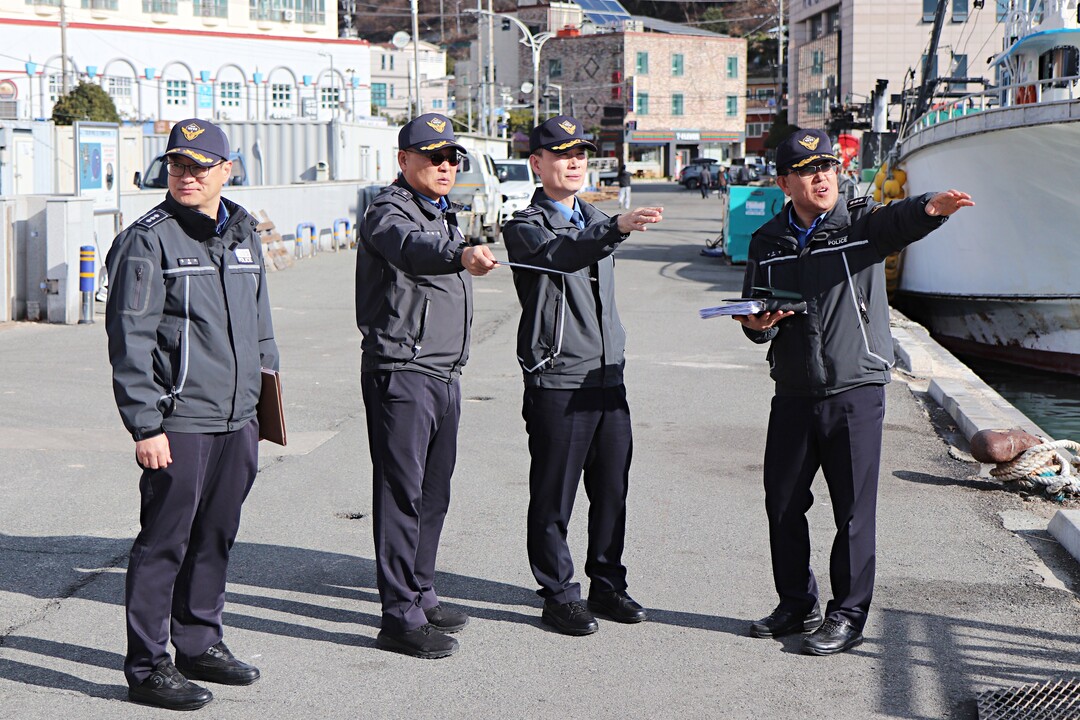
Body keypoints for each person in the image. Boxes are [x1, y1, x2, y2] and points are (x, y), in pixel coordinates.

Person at [734, 128, 973, 656]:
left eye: (827, 167)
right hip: (794, 389)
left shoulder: (860, 224)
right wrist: (757, 325)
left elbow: (897, 224)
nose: (821, 176)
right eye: (807, 169)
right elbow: (757, 313)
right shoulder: (768, 239)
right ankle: (796, 603)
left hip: (855, 388)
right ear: (784, 182)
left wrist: (929, 208)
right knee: (783, 503)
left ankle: (848, 614)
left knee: (852, 510)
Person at [105, 118, 277, 710]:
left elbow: (261, 329)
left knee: (215, 537)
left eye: (200, 166)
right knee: (164, 543)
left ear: (226, 171)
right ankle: (148, 666)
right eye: (177, 165)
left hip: (237, 420)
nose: (186, 176)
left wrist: (263, 404)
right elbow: (130, 341)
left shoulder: (244, 232)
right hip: (179, 421)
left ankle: (200, 643)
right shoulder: (147, 240)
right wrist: (145, 424)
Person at [501, 115, 663, 636]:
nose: (573, 162)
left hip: (606, 376)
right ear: (537, 164)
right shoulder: (524, 226)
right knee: (555, 493)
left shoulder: (594, 218)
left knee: (612, 487)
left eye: (581, 154)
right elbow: (563, 256)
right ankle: (558, 592)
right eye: (561, 153)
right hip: (558, 377)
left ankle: (607, 583)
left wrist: (607, 227)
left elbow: (589, 245)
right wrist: (613, 228)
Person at [355, 113, 497, 659]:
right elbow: (407, 247)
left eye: (451, 157)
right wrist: (457, 254)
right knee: (401, 495)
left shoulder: (442, 211)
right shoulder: (389, 211)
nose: (444, 165)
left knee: (434, 492)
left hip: (443, 371)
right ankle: (399, 616)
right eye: (432, 156)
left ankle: (421, 591)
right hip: (403, 371)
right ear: (403, 161)